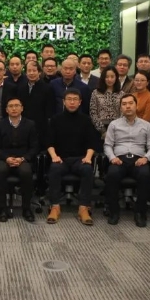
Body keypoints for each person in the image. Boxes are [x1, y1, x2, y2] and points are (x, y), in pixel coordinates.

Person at [46, 89, 98, 225]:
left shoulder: (86, 120)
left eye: (75, 99)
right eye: (69, 99)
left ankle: (83, 208)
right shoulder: (55, 119)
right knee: (54, 169)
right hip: (60, 158)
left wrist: (88, 157)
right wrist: (54, 156)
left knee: (87, 169)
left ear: (80, 102)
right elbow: (49, 142)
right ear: (64, 102)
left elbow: (92, 143)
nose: (72, 102)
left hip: (80, 158)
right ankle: (55, 206)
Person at [103, 94, 150, 227]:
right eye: (124, 104)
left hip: (139, 159)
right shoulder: (114, 125)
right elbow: (108, 145)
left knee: (145, 175)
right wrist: (112, 158)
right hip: (119, 158)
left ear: (136, 106)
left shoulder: (146, 125)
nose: (127, 106)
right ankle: (114, 211)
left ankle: (140, 212)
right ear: (121, 108)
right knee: (112, 174)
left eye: (130, 103)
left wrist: (146, 158)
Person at [0, 97, 39, 223]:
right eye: (11, 106)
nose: (14, 108)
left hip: (23, 159)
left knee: (26, 172)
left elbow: (34, 147)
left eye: (17, 105)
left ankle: (26, 208)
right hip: (4, 158)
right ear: (6, 110)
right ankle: (2, 208)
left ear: (22, 108)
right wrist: (6, 158)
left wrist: (23, 158)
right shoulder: (0, 124)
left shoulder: (30, 124)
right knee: (0, 171)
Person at [18, 61, 55, 152]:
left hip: (41, 126)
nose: (31, 73)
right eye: (29, 71)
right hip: (24, 125)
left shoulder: (47, 88)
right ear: (25, 73)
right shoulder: (21, 87)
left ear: (39, 72)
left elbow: (49, 110)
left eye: (34, 70)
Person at [90, 67, 122, 138]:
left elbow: (123, 113)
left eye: (112, 77)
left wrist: (117, 128)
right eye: (107, 77)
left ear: (116, 78)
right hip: (99, 129)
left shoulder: (121, 94)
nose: (109, 79)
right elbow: (93, 113)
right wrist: (103, 131)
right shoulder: (96, 93)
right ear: (103, 78)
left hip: (117, 129)